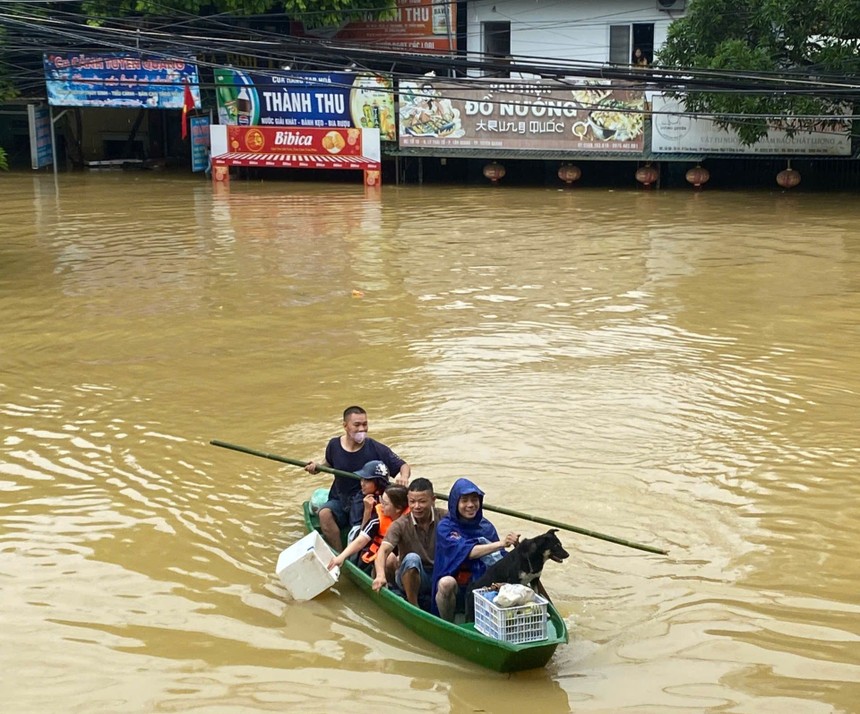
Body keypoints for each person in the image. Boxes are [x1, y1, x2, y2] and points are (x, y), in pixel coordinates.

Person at [305, 406, 411, 550]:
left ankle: (359, 551)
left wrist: (404, 477)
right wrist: (317, 467)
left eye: (365, 424)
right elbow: (328, 463)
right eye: (357, 425)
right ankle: (339, 553)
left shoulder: (375, 448)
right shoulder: (334, 445)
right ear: (345, 426)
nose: (362, 429)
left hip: (364, 502)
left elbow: (403, 465)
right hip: (339, 498)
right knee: (324, 514)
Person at [431, 478, 519, 622]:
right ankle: (448, 624)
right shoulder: (445, 527)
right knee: (445, 583)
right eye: (464, 500)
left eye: (474, 500)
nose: (470, 505)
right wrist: (501, 543)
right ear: (455, 503)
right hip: (455, 590)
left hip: (480, 587)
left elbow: (501, 560)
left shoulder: (486, 527)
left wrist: (518, 548)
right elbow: (469, 552)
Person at [372, 477, 446, 609]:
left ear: (433, 500)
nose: (416, 506)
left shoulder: (445, 518)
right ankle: (413, 605)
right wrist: (380, 575)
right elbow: (382, 551)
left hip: (438, 573)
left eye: (422, 501)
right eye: (412, 502)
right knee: (412, 559)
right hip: (410, 574)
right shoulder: (400, 524)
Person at [327, 485, 409, 575]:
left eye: (385, 504)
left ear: (398, 508)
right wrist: (341, 557)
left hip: (404, 561)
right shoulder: (377, 520)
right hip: (381, 563)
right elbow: (361, 540)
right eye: (382, 501)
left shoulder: (413, 519)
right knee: (390, 558)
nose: (381, 506)